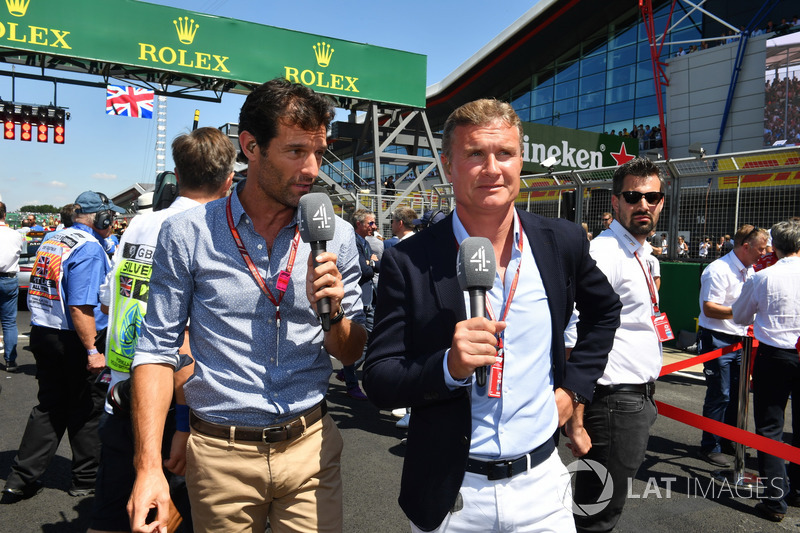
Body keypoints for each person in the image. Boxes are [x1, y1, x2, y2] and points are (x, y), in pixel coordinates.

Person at [363, 98, 621, 532]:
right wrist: (448, 366)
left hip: (543, 486)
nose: (492, 168)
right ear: (448, 166)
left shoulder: (561, 240)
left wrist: (575, 390)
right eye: (475, 154)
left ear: (521, 161)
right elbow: (380, 378)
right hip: (454, 495)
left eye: (505, 153)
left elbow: (605, 312)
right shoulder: (408, 261)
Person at [127, 78, 367, 533]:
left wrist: (334, 312)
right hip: (221, 456)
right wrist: (148, 469)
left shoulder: (336, 234)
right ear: (251, 147)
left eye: (319, 151)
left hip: (311, 447)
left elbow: (350, 351)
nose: (313, 169)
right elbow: (156, 350)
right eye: (296, 151)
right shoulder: (188, 233)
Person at [88, 127, 236, 533]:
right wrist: (185, 424)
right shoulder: (206, 230)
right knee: (173, 516)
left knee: (112, 509)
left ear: (176, 173)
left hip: (122, 389)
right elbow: (184, 336)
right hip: (176, 402)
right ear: (228, 181)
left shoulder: (139, 224)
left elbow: (109, 298)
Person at [2, 191, 124, 503]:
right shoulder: (89, 249)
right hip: (76, 337)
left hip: (44, 330)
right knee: (87, 409)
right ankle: (85, 479)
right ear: (102, 217)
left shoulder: (54, 238)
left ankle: (20, 479)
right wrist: (92, 351)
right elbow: (81, 307)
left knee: (50, 406)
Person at [568, 157, 666, 533]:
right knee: (597, 514)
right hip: (612, 401)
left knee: (601, 507)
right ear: (615, 202)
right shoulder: (607, 253)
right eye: (633, 196)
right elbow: (573, 332)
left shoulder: (639, 251)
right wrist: (576, 416)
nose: (644, 204)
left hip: (632, 399)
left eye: (652, 196)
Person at [732, 220, 800, 522]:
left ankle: (775, 500)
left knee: (770, 428)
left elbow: (740, 315)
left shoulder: (762, 277)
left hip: (774, 355)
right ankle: (796, 490)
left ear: (775, 246)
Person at [696, 224, 768, 468]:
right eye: (760, 248)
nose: (764, 253)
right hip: (718, 338)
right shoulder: (718, 270)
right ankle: (710, 445)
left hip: (739, 340)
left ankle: (728, 440)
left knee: (737, 394)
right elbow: (709, 308)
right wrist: (741, 312)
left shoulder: (749, 270)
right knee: (720, 393)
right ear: (746, 247)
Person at [337, 209, 378, 401]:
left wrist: (371, 264)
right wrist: (373, 264)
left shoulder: (364, 242)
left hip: (366, 298)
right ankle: (351, 381)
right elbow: (365, 270)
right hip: (356, 299)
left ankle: (348, 371)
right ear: (359, 224)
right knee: (360, 339)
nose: (374, 227)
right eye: (370, 223)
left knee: (368, 338)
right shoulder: (353, 240)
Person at [0, 201, 25, 372]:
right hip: (8, 278)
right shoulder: (15, 234)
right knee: (9, 322)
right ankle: (10, 360)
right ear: (5, 215)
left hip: (8, 277)